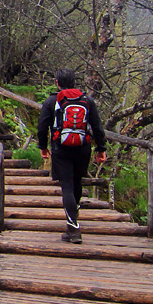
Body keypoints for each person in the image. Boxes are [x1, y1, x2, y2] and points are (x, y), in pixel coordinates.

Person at [37, 69, 107, 244]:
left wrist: (43, 147)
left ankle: (73, 229)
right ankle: (73, 222)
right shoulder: (87, 101)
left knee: (67, 185)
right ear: (75, 82)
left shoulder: (52, 101)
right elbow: (97, 126)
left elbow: (42, 126)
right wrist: (101, 148)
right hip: (83, 148)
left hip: (61, 148)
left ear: (57, 83)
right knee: (77, 183)